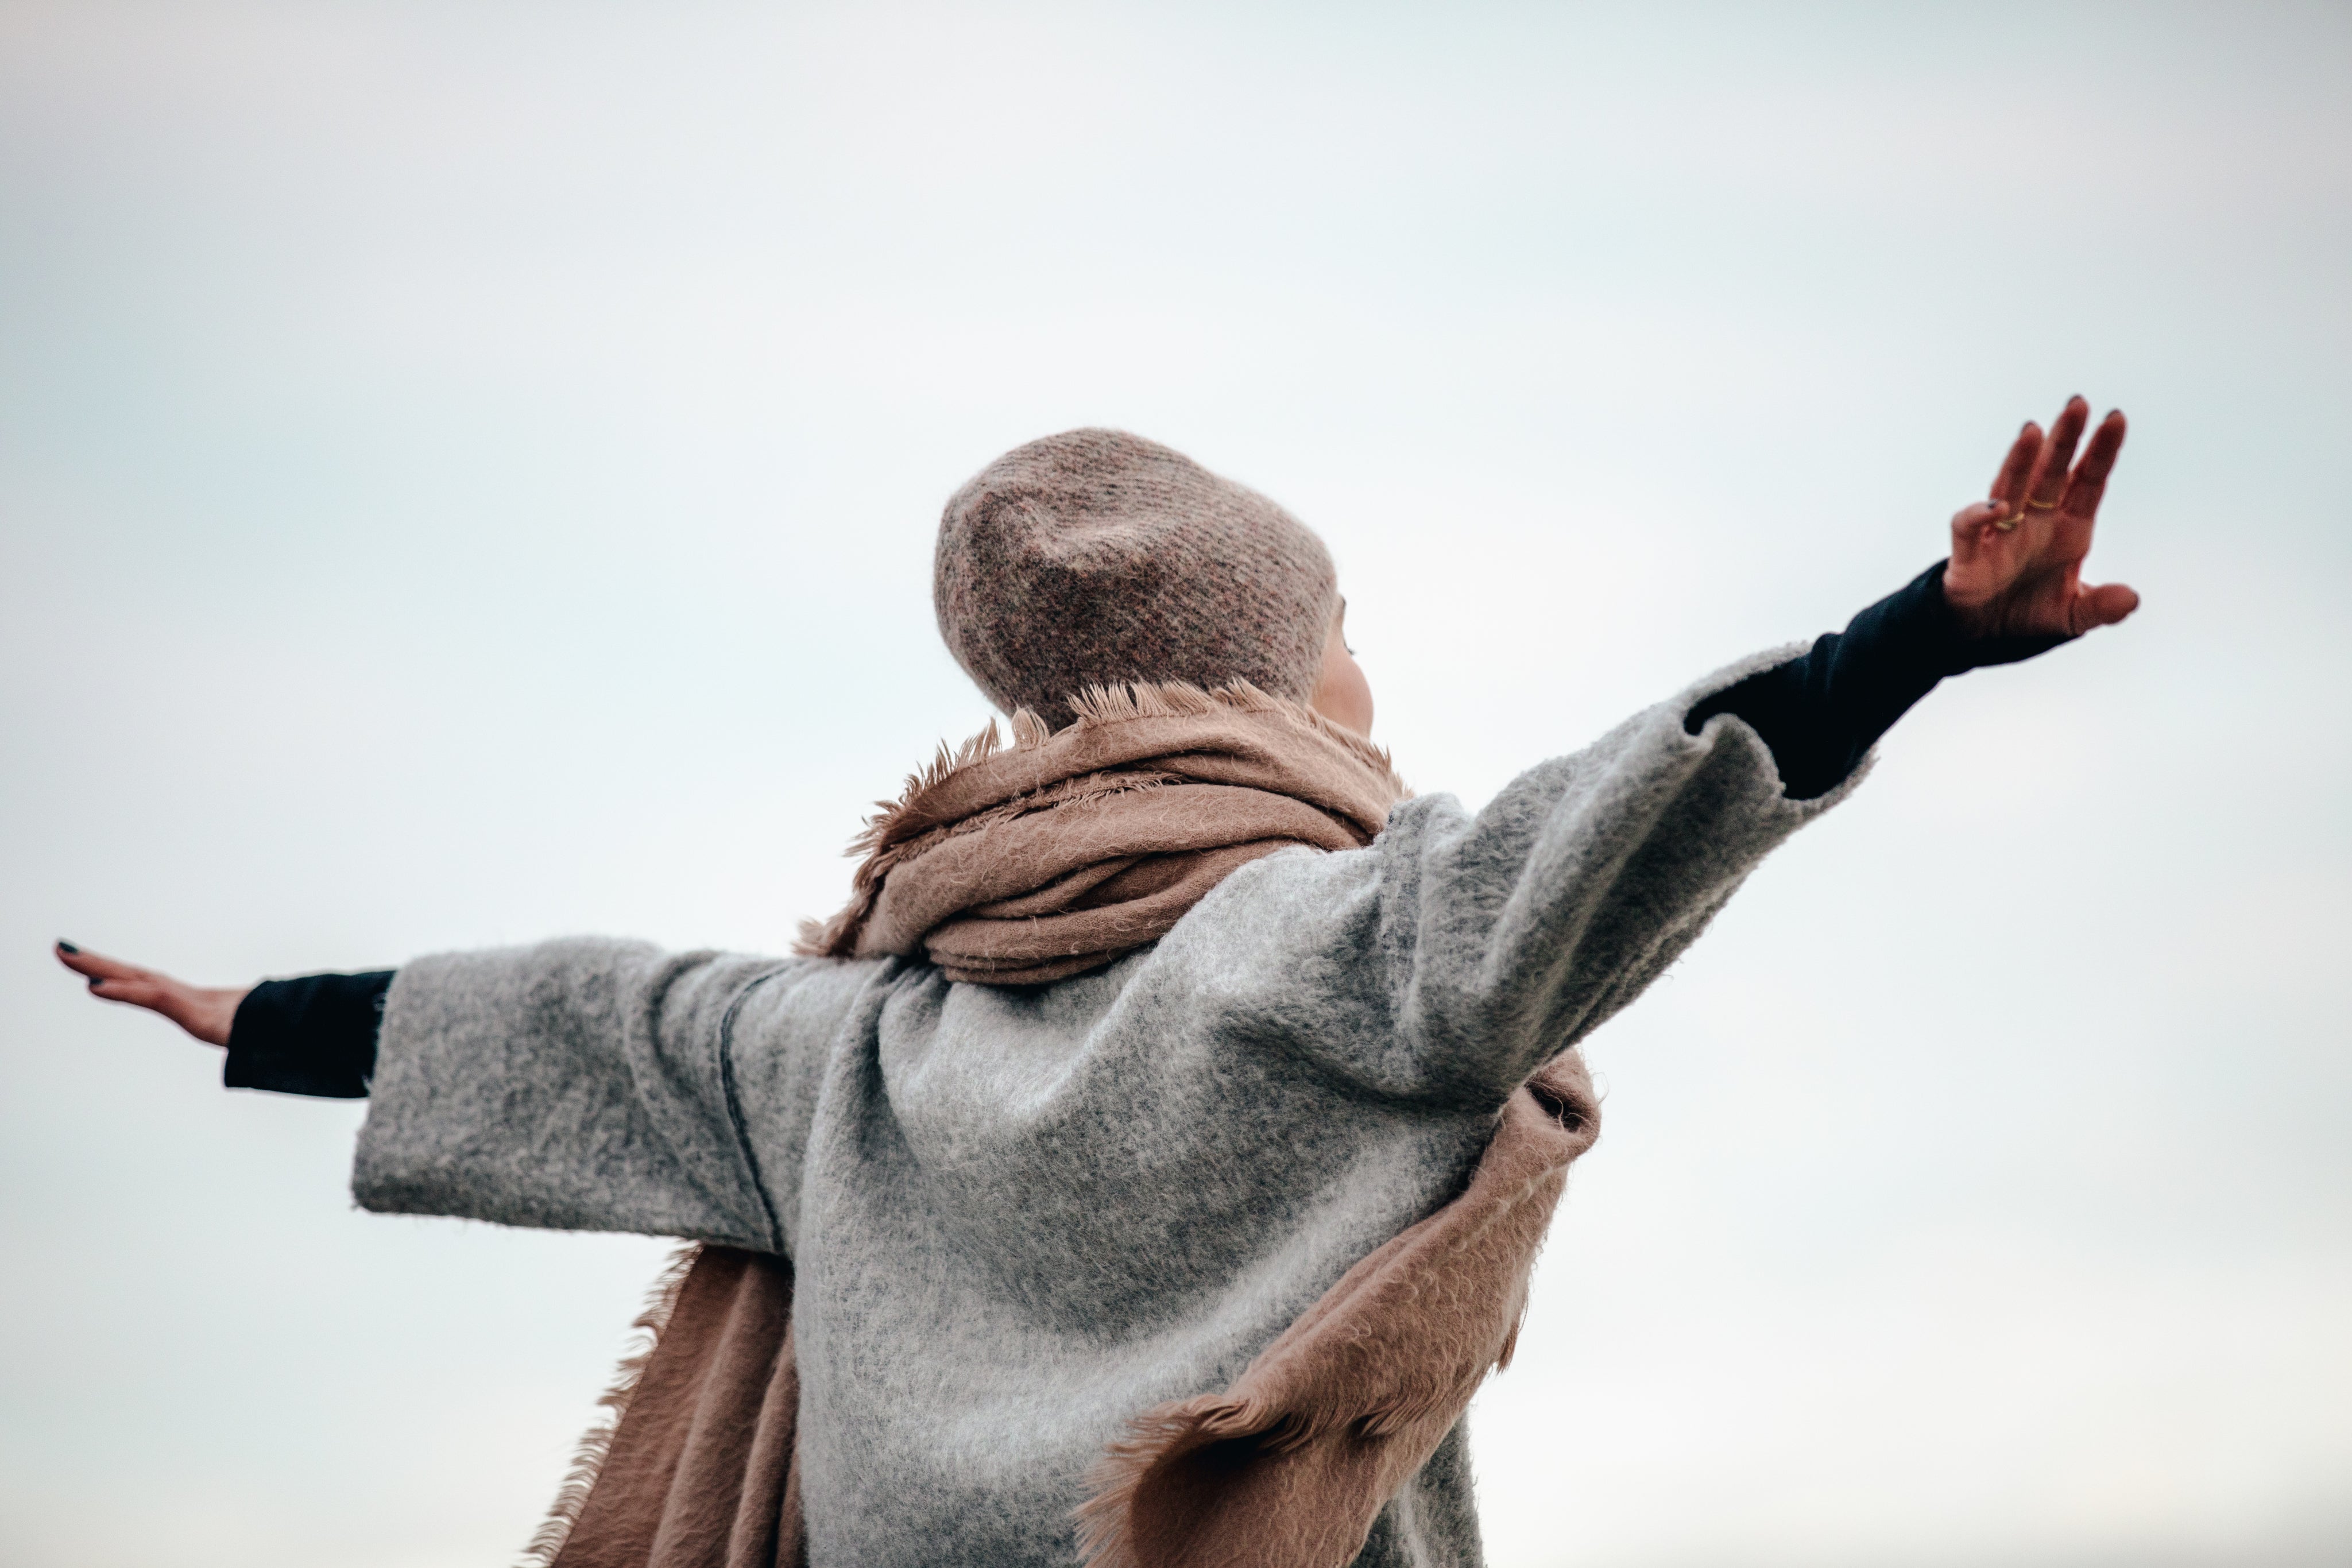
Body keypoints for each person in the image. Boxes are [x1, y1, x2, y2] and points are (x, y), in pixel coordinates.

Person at [56, 400, 2136, 1568]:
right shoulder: (1352, 944)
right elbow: (1606, 826)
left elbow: (594, 1027)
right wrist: (1916, 641)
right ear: (1262, 676)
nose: (1367, 680)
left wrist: (269, 1015)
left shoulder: (851, 1040)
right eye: (1342, 631)